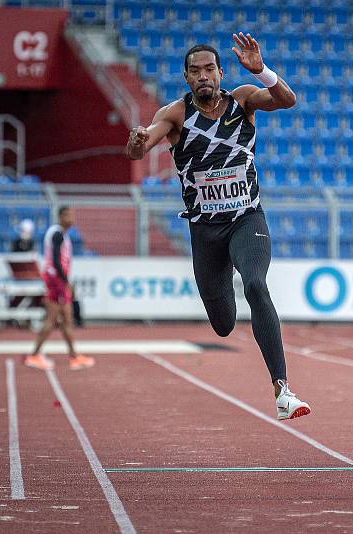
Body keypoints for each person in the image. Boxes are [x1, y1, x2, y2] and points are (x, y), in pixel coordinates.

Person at [125, 34, 310, 420]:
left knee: (256, 284)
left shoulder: (242, 99)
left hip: (247, 218)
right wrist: (137, 142)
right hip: (205, 230)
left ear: (221, 72)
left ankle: (283, 390)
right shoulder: (174, 115)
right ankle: (226, 309)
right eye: (196, 72)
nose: (204, 76)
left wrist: (262, 72)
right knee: (223, 324)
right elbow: (142, 147)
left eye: (210, 69)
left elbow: (287, 101)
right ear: (187, 78)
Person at [24, 206, 94, 371]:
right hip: (56, 281)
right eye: (68, 215)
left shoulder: (61, 234)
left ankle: (74, 356)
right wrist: (66, 281)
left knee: (67, 319)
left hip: (57, 280)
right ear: (61, 216)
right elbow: (55, 260)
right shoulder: (57, 234)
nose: (72, 218)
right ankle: (34, 355)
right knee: (52, 319)